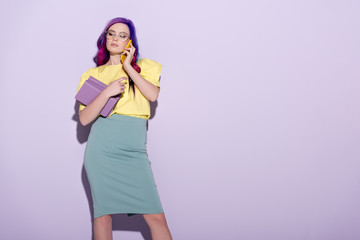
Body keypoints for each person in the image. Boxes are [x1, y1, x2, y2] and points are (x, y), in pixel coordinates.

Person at [75, 17, 172, 240]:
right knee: (103, 215)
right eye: (111, 33)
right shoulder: (92, 76)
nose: (115, 38)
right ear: (104, 38)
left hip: (134, 153)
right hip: (101, 152)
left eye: (122, 35)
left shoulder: (144, 67)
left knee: (156, 218)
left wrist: (128, 67)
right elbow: (84, 118)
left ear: (130, 42)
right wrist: (106, 92)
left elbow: (152, 95)